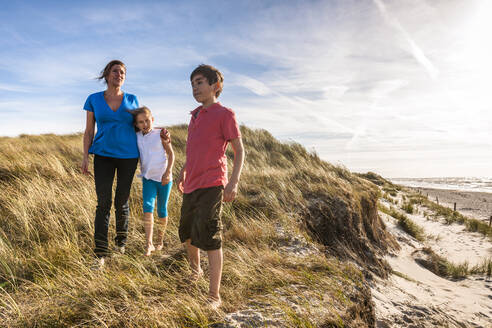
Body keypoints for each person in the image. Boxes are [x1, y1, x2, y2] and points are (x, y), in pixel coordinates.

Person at [176, 64, 245, 309]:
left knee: (210, 235)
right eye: (192, 84)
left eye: (200, 82)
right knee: (187, 233)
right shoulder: (194, 116)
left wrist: (233, 182)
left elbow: (239, 150)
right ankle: (196, 273)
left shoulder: (225, 114)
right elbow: (194, 150)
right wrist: (183, 172)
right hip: (191, 184)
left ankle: (214, 295)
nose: (195, 88)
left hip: (213, 183)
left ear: (215, 86)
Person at [129, 106, 174, 256]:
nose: (145, 124)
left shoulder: (160, 135)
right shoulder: (136, 136)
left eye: (147, 120)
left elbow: (171, 155)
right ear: (136, 124)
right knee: (147, 207)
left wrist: (167, 173)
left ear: (152, 120)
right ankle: (148, 244)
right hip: (148, 178)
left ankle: (159, 241)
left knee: (162, 209)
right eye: (141, 122)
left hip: (163, 179)